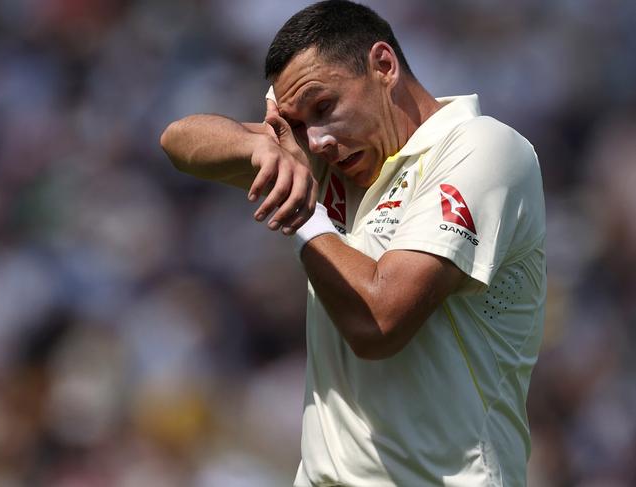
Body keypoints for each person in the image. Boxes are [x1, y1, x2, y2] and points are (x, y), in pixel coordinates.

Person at [160, 1, 546, 485]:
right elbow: (179, 141)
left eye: (324, 108)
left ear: (383, 66)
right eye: (298, 124)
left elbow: (379, 322)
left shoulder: (482, 148)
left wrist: (303, 214)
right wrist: (259, 147)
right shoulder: (327, 159)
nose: (316, 140)